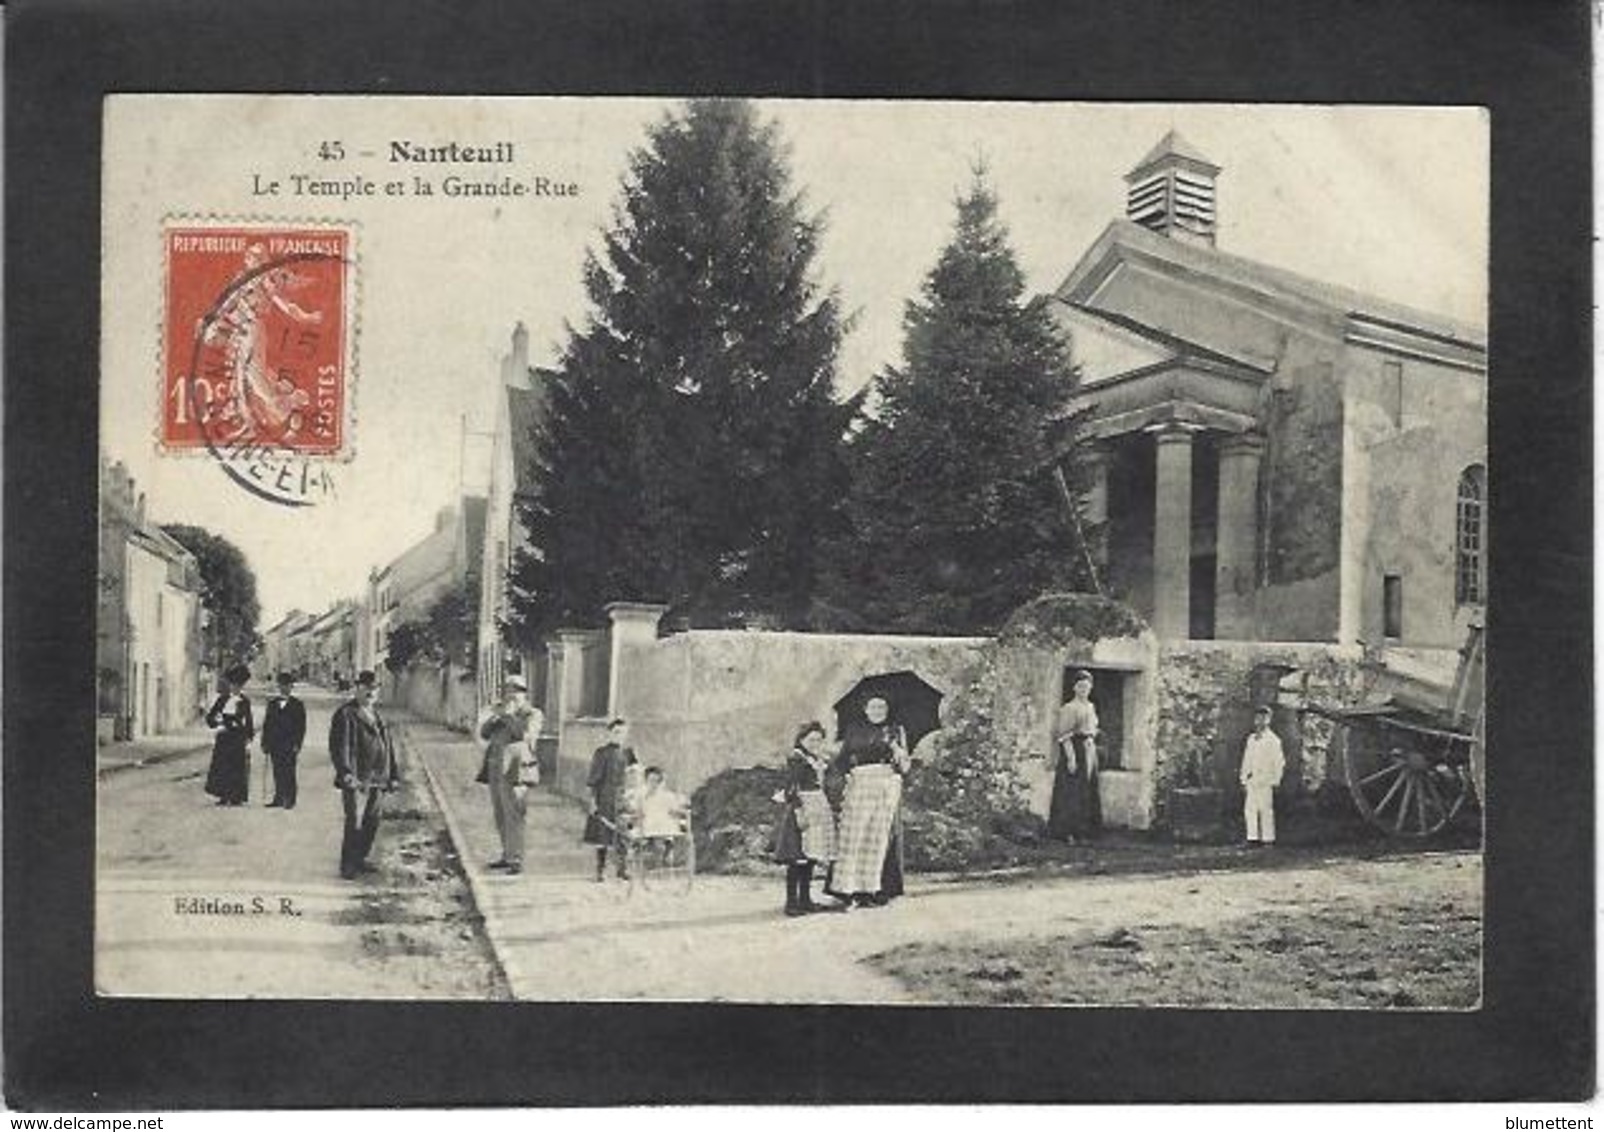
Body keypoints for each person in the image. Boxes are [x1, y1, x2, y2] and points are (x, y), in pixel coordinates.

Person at [825, 696, 910, 910]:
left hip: (885, 785)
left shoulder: (895, 730)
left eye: (882, 706)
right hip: (860, 783)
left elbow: (905, 767)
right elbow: (843, 759)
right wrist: (843, 776)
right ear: (865, 709)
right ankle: (846, 891)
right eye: (873, 706)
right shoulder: (854, 729)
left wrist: (899, 753)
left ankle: (869, 890)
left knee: (877, 838)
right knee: (853, 836)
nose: (878, 710)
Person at [328, 670, 399, 880]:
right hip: (358, 777)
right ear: (357, 688)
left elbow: (388, 747)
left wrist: (393, 775)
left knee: (372, 820)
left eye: (374, 688)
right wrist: (346, 773)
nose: (370, 692)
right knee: (354, 820)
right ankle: (348, 864)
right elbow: (341, 747)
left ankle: (360, 858)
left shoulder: (377, 714)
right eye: (366, 687)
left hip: (379, 776)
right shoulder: (346, 713)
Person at [773, 721, 839, 916]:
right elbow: (791, 789)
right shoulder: (797, 759)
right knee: (797, 858)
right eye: (811, 740)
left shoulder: (815, 759)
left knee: (809, 857)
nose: (815, 743)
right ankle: (792, 904)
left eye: (819, 740)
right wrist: (800, 814)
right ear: (802, 740)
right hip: (801, 809)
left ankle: (805, 900)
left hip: (817, 806)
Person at [479, 675, 543, 875]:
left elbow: (526, 736)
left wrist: (508, 717)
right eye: (508, 690)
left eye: (515, 691)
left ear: (523, 693)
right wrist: (496, 717)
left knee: (514, 814)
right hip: (496, 768)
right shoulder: (501, 711)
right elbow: (484, 733)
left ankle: (516, 859)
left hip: (517, 769)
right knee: (500, 814)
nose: (510, 694)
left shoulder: (532, 714)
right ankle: (506, 855)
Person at [583, 718, 638, 882]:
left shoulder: (629, 753)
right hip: (605, 797)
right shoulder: (602, 753)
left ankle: (622, 869)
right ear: (610, 733)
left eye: (623, 732)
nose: (620, 735)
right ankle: (601, 870)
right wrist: (593, 801)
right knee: (603, 836)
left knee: (623, 834)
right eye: (616, 732)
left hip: (623, 798)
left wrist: (633, 791)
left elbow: (636, 774)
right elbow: (593, 780)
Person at [1049, 670, 1102, 841]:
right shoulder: (1069, 708)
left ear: (1091, 688)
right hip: (1075, 749)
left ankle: (1085, 831)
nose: (1083, 689)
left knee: (1087, 790)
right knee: (1072, 791)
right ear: (1074, 687)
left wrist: (1092, 744)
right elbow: (1064, 735)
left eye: (1086, 686)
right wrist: (1071, 758)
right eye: (1080, 686)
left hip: (1089, 749)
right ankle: (1067, 832)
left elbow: (1093, 729)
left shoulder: (1091, 707)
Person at [203, 664, 255, 806]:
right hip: (225, 737)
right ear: (230, 685)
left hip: (238, 738)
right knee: (223, 766)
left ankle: (236, 796)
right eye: (233, 685)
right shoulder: (222, 700)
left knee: (237, 767)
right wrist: (218, 725)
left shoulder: (245, 701)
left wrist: (249, 739)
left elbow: (249, 721)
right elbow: (210, 718)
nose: (235, 688)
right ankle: (223, 795)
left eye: (238, 686)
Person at [1239, 704, 1286, 847]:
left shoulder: (1273, 740)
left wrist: (1276, 780)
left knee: (1265, 809)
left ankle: (1268, 839)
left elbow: (1279, 762)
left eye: (1264, 718)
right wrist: (1243, 777)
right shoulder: (1251, 739)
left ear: (1269, 720)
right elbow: (1246, 759)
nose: (1260, 721)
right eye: (1258, 717)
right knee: (1250, 809)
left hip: (1266, 779)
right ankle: (1252, 838)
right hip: (1252, 779)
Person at [261, 671, 307, 809]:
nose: (284, 688)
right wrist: (265, 742)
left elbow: (301, 727)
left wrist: (298, 744)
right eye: (282, 685)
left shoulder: (297, 705)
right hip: (275, 743)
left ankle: (290, 799)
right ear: (279, 686)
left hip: (290, 743)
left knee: (289, 771)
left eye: (287, 685)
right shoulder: (272, 704)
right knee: (277, 771)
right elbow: (267, 724)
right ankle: (278, 798)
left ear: (291, 687)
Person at [636, 766, 689, 870]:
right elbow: (639, 812)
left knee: (665, 830)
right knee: (650, 832)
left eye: (656, 781)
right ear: (646, 781)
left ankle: (666, 850)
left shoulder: (667, 796)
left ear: (660, 782)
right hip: (649, 823)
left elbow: (674, 811)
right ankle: (656, 854)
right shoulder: (642, 796)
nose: (653, 784)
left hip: (664, 822)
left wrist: (681, 814)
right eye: (651, 781)